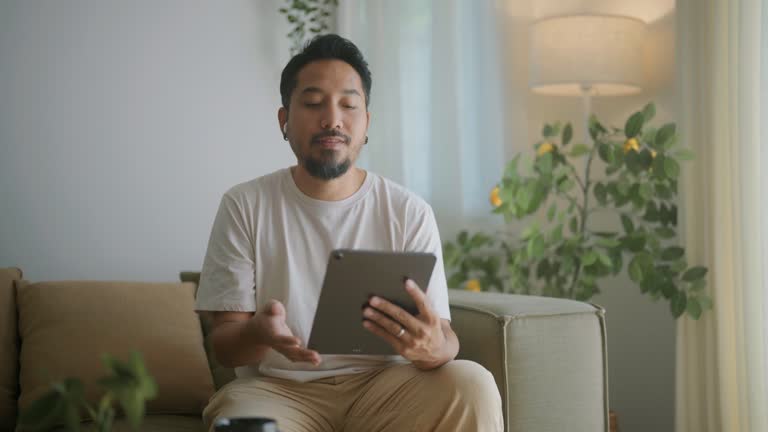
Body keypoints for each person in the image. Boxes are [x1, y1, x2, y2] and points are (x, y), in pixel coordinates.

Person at [195, 34, 503, 432]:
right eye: (312, 103)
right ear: (284, 120)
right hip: (279, 390)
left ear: (366, 123)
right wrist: (258, 332)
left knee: (472, 382)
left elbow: (444, 338)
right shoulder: (244, 204)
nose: (332, 120)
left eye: (348, 105)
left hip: (386, 388)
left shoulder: (408, 211)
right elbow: (225, 345)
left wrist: (431, 347)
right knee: (241, 422)